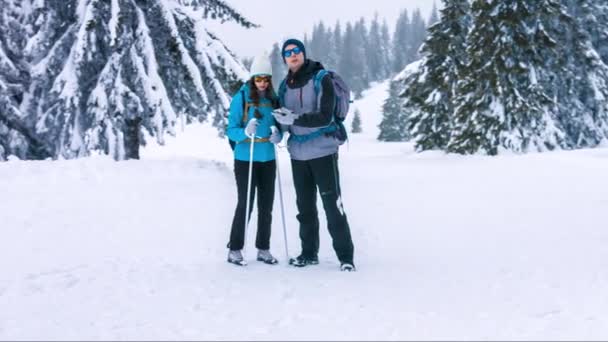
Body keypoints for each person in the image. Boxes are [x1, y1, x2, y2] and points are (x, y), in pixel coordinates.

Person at [273, 39, 356, 272]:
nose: (293, 55)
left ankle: (346, 257)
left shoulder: (321, 79)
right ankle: (309, 254)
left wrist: (294, 119)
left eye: (296, 51)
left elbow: (325, 116)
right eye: (288, 53)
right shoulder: (284, 86)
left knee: (332, 205)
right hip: (298, 155)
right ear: (284, 59)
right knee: (305, 208)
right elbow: (282, 118)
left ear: (303, 53)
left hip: (323, 150)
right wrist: (276, 130)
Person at [225, 51, 282, 266]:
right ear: (252, 79)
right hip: (245, 158)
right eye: (258, 78)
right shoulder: (241, 98)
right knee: (245, 204)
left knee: (266, 206)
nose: (262, 83)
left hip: (268, 157)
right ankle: (235, 248)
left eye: (266, 78)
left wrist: (279, 136)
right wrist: (246, 132)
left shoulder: (273, 99)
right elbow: (231, 130)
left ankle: (263, 248)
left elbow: (280, 126)